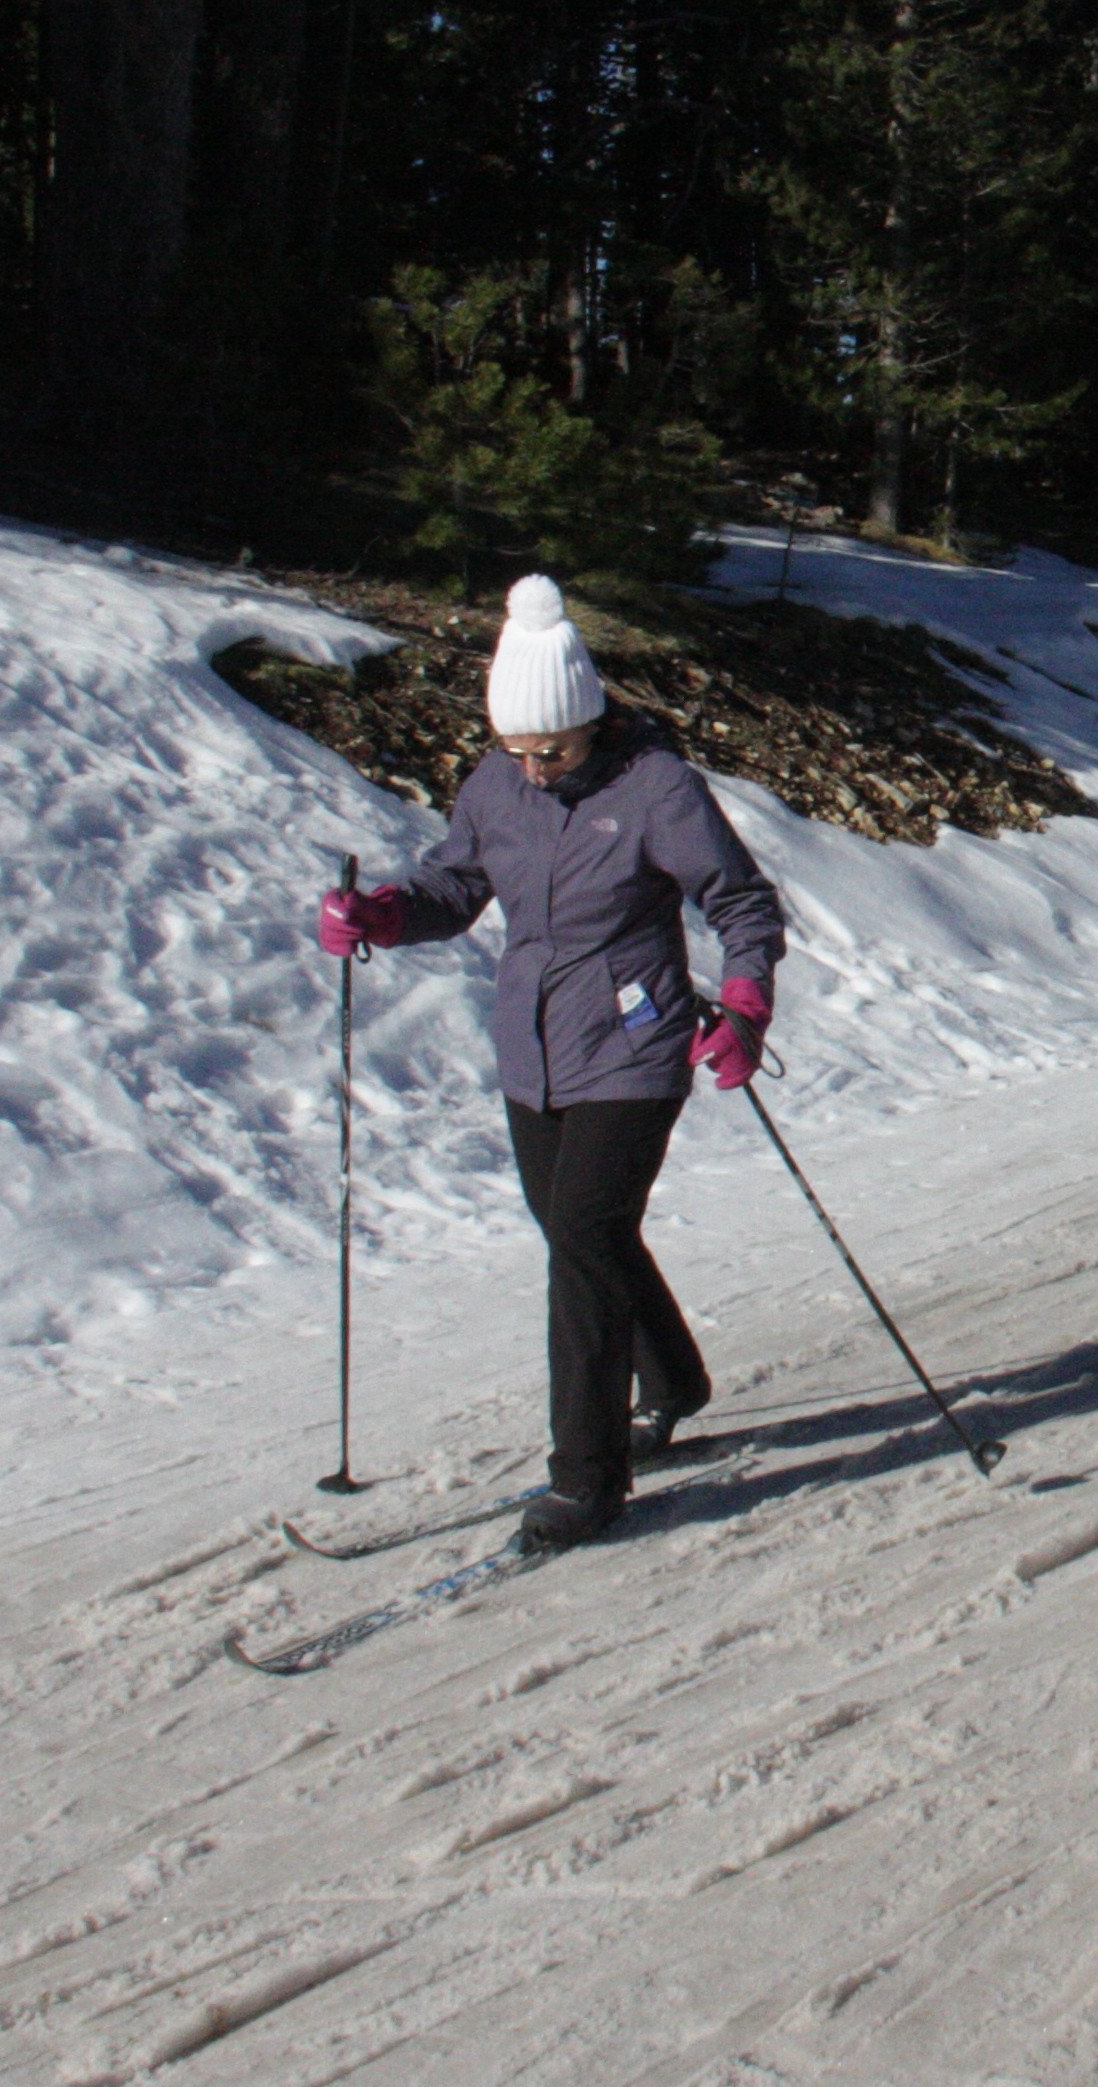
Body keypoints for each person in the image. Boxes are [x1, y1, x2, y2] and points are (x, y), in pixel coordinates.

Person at [319, 575, 787, 1548]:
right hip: (532, 1048)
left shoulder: (655, 787)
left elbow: (741, 904)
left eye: (554, 750)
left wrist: (742, 1007)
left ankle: (588, 1477)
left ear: (591, 722)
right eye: (518, 748)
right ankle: (672, 1379)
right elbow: (455, 887)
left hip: (634, 1043)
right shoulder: (495, 786)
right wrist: (383, 915)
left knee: (581, 1234)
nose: (535, 768)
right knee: (577, 1229)